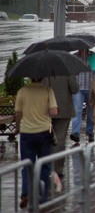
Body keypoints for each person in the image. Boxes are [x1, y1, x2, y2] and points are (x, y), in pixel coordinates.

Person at [15, 78, 58, 209]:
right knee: (45, 165)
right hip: (44, 132)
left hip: (27, 132)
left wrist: (17, 127)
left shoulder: (22, 91)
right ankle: (43, 197)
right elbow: (54, 111)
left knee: (27, 164)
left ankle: (26, 192)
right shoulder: (47, 90)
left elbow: (18, 113)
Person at [44, 76, 79, 181]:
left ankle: (46, 167)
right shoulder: (66, 71)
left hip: (46, 109)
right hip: (63, 110)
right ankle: (57, 169)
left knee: (46, 139)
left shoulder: (44, 70)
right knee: (60, 139)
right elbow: (75, 89)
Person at [70, 49, 95, 144]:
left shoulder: (94, 56)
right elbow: (70, 72)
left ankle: (90, 132)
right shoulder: (74, 57)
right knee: (77, 110)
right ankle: (75, 133)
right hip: (78, 88)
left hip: (91, 87)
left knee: (91, 112)